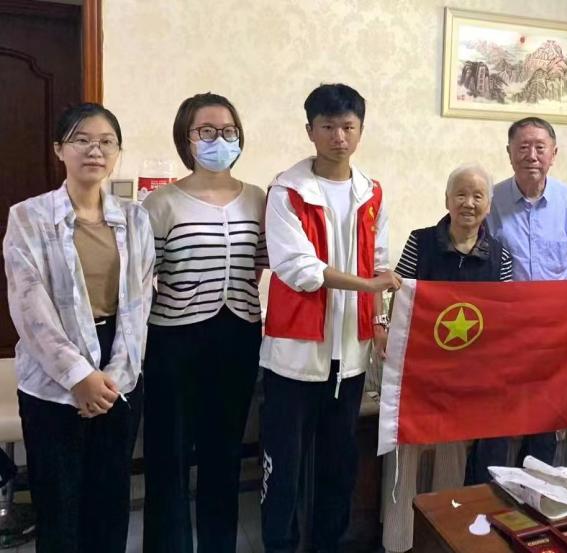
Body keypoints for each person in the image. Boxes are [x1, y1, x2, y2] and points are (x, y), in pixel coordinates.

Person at [3, 103, 153, 552]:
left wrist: (114, 378)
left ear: (117, 152)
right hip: (51, 372)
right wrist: (79, 377)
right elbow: (30, 307)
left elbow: (139, 303)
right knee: (60, 505)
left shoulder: (135, 218)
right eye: (82, 140)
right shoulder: (28, 217)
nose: (95, 150)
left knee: (109, 502)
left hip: (119, 363)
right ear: (59, 150)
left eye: (106, 142)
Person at [259, 83, 401, 553]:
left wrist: (378, 322)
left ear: (360, 130)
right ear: (310, 131)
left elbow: (379, 261)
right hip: (295, 357)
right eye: (328, 126)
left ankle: (328, 545)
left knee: (339, 467)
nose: (339, 137)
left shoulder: (371, 192)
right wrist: (369, 285)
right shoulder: (287, 190)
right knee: (283, 469)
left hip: (351, 359)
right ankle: (280, 546)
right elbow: (297, 269)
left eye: (348, 126)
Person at [142, 93, 267, 553]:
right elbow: (144, 276)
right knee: (169, 455)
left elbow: (260, 264)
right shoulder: (161, 202)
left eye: (228, 131)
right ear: (187, 138)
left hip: (238, 334)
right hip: (175, 339)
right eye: (207, 131)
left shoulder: (258, 198)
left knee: (224, 453)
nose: (220, 140)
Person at [381, 164, 514, 553]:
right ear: (446, 200)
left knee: (451, 461)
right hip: (416, 371)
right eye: (460, 194)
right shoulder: (420, 241)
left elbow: (505, 315)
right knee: (405, 458)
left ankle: (443, 540)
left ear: (488, 205)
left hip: (466, 379)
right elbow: (398, 295)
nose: (468, 203)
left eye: (477, 196)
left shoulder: (500, 255)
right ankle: (398, 542)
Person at [476, 117, 567, 472]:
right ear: (509, 153)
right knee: (496, 425)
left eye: (539, 147)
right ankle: (486, 494)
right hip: (504, 334)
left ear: (553, 154)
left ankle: (536, 491)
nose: (531, 155)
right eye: (522, 147)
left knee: (544, 425)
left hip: (554, 336)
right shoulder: (491, 202)